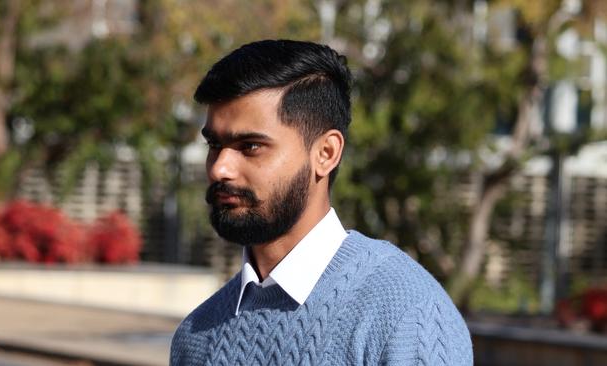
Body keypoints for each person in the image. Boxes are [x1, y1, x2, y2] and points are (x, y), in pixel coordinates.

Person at [169, 39, 472, 365]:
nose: (219, 168)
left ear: (325, 153)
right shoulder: (196, 337)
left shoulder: (406, 316)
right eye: (214, 144)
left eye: (250, 146)